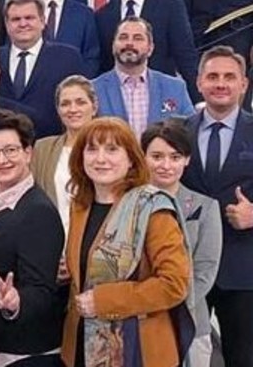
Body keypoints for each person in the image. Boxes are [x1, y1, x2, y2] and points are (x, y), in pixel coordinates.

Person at [62, 117, 191, 367]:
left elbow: (174, 284)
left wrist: (105, 301)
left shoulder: (152, 208)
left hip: (138, 348)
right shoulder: (80, 205)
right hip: (82, 346)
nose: (100, 159)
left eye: (112, 149)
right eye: (92, 149)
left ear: (132, 158)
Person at [0, 109, 66, 366]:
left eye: (11, 150)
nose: (1, 159)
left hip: (20, 353)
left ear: (28, 153)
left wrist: (15, 302)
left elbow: (42, 289)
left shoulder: (38, 211)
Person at [182, 45, 253, 367]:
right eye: (212, 76)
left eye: (229, 77)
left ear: (244, 84)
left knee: (243, 358)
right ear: (199, 82)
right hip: (188, 267)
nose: (220, 83)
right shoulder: (178, 132)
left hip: (242, 271)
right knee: (184, 356)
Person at [141, 120, 222, 367]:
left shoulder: (205, 207)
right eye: (157, 156)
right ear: (143, 157)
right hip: (139, 321)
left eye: (175, 157)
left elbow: (205, 271)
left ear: (187, 160)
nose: (166, 165)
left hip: (189, 320)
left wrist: (165, 301)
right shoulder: (126, 203)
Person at [95, 0, 200, 102]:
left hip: (161, 96)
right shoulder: (102, 15)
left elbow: (185, 56)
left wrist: (198, 99)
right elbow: (103, 62)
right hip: (116, 98)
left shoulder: (171, 7)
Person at [0, 0, 84, 138]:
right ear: (7, 24)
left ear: (43, 21)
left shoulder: (68, 58)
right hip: (5, 144)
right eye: (16, 19)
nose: (23, 24)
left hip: (52, 142)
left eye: (29, 18)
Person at [93, 17, 195, 138]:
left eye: (138, 38)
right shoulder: (93, 89)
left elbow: (192, 132)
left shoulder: (175, 88)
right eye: (123, 37)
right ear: (113, 46)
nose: (129, 43)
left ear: (150, 48)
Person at [31, 75, 98, 236]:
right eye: (65, 104)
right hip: (52, 239)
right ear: (58, 110)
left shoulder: (110, 150)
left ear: (94, 107)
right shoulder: (42, 148)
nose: (73, 109)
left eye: (80, 102)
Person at [37, 0, 100, 78]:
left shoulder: (84, 15)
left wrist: (78, 85)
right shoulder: (25, 11)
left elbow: (91, 58)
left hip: (72, 86)